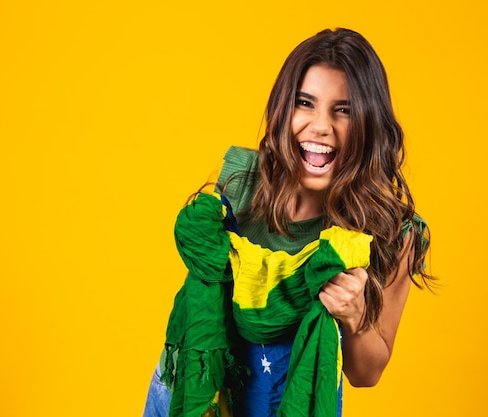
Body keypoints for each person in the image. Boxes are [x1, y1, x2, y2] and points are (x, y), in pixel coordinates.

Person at [143, 27, 432, 417]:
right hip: (196, 396)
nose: (321, 126)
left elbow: (368, 373)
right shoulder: (240, 186)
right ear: (284, 109)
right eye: (305, 103)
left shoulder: (388, 230)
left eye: (343, 109)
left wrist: (355, 316)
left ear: (369, 123)